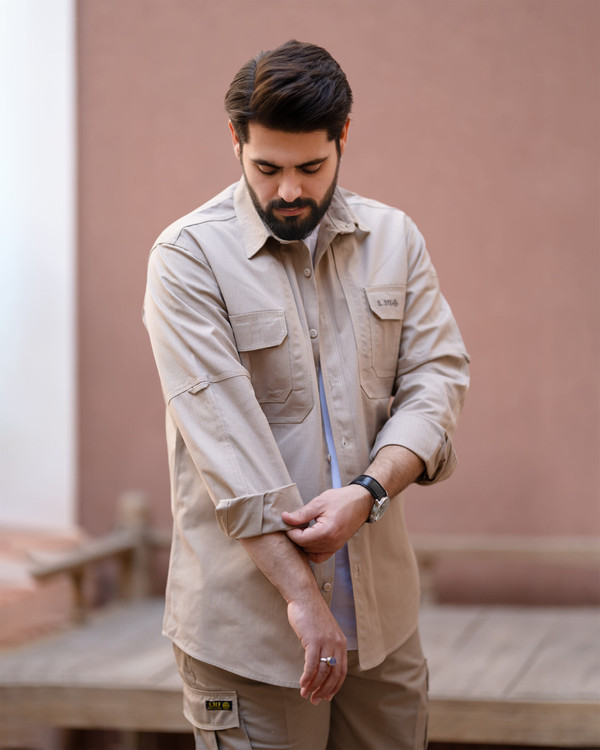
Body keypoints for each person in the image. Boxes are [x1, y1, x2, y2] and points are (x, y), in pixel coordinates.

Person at [144, 39, 469, 750]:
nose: (289, 190)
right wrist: (300, 596)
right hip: (249, 638)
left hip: (385, 632)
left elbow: (437, 378)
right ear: (235, 140)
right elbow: (226, 444)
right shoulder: (187, 258)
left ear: (343, 136)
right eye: (267, 168)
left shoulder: (395, 239)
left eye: (310, 167)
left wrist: (369, 491)